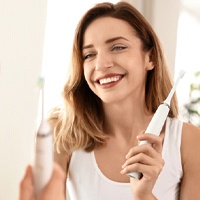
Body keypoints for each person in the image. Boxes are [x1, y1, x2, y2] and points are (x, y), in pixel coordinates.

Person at [19, 1, 200, 200]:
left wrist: (144, 195)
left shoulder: (190, 142)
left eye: (118, 47)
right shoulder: (62, 134)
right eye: (89, 54)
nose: (101, 64)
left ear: (150, 58)